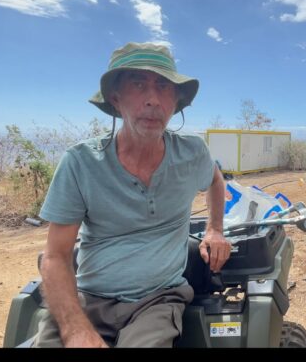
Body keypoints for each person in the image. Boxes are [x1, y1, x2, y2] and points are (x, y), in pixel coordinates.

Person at [33, 42, 232, 347]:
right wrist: (75, 330)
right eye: (138, 84)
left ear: (175, 99)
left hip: (158, 300)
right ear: (116, 97)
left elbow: (216, 181)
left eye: (163, 86)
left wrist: (215, 229)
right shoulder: (81, 163)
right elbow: (56, 257)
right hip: (89, 298)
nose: (153, 100)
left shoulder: (191, 153)